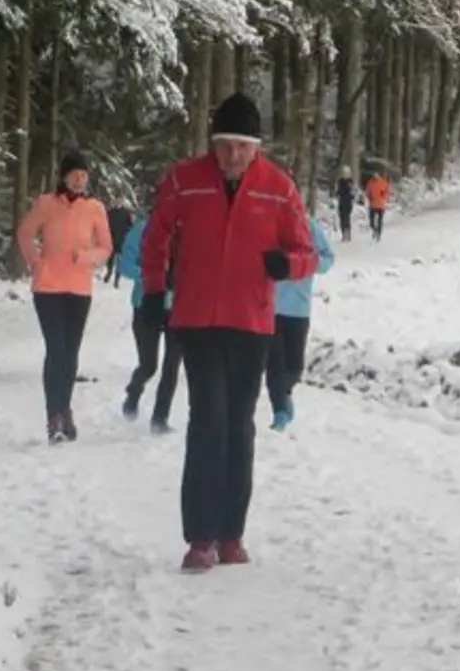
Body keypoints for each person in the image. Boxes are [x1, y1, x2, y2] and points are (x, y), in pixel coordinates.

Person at [139, 92, 318, 573]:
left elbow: (308, 253)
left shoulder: (278, 188)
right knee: (208, 420)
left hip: (251, 323)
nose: (232, 155)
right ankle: (200, 537)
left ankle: (231, 534)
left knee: (239, 426)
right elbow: (155, 238)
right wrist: (154, 291)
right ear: (212, 144)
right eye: (224, 145)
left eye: (241, 145)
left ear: (256, 147)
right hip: (196, 320)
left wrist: (287, 265)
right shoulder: (184, 181)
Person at [16, 151, 113, 444]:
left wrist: (86, 257)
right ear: (64, 176)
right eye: (75, 174)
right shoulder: (47, 204)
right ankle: (53, 417)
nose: (80, 180)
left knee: (70, 354)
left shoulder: (94, 208)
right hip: (48, 287)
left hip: (79, 289)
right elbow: (25, 232)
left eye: (84, 175)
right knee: (56, 350)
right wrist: (35, 261)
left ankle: (65, 410)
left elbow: (106, 248)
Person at [266, 213, 335, 431]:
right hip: (268, 306)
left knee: (295, 367)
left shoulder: (308, 225)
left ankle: (284, 394)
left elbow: (328, 258)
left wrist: (308, 264)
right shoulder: (267, 220)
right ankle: (279, 412)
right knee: (275, 364)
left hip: (298, 308)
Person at [116, 210, 180, 435]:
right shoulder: (143, 228)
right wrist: (152, 276)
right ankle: (134, 391)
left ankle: (160, 418)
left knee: (172, 364)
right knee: (149, 364)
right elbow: (125, 265)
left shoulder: (191, 229)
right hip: (146, 303)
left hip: (179, 307)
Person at [103, 203, 134, 287]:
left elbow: (130, 225)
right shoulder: (110, 212)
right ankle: (109, 273)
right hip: (111, 239)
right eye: (116, 200)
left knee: (119, 261)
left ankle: (117, 280)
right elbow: (105, 224)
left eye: (120, 200)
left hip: (121, 240)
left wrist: (127, 233)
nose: (118, 202)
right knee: (110, 259)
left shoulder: (126, 213)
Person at [363, 170, 391, 243]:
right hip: (372, 205)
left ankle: (378, 234)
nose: (375, 176)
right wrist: (369, 196)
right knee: (371, 222)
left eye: (376, 174)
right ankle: (375, 231)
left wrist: (384, 196)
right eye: (374, 175)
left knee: (379, 221)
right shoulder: (370, 183)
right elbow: (367, 192)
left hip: (381, 205)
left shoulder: (383, 182)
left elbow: (387, 191)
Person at [334, 165, 356, 242]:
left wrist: (351, 195)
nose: (345, 174)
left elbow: (353, 192)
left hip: (348, 202)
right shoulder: (340, 181)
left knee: (346, 218)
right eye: (344, 173)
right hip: (341, 202)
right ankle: (343, 233)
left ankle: (347, 233)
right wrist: (336, 194)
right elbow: (337, 190)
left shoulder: (350, 181)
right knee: (341, 218)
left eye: (346, 173)